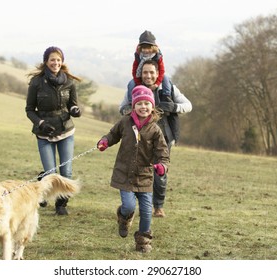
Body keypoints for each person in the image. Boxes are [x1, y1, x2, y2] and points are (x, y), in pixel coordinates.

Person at [97, 85, 170, 253]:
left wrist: (162, 166)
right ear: (133, 106)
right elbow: (112, 134)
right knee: (129, 206)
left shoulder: (155, 130)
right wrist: (105, 142)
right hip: (125, 175)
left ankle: (143, 240)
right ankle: (123, 218)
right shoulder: (125, 122)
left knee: (146, 211)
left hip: (144, 177)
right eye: (139, 103)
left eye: (147, 103)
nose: (143, 107)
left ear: (152, 106)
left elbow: (163, 154)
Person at [120, 59, 192, 218]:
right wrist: (130, 112)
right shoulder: (133, 89)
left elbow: (188, 105)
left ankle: (158, 206)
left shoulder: (169, 89)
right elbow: (122, 108)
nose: (148, 75)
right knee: (139, 170)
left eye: (152, 72)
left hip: (164, 137)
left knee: (160, 172)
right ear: (140, 73)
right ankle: (139, 205)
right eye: (145, 72)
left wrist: (173, 107)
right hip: (139, 137)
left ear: (158, 74)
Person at [25, 46, 82, 215]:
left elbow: (73, 104)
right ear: (46, 62)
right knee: (51, 172)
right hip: (44, 132)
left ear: (61, 61)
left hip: (65, 130)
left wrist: (74, 110)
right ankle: (43, 184)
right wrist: (41, 122)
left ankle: (61, 205)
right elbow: (29, 109)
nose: (55, 63)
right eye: (52, 60)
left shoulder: (69, 82)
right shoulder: (36, 82)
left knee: (66, 171)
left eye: (58, 60)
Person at [127, 30, 172, 103]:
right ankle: (130, 102)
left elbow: (161, 70)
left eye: (148, 48)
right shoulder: (138, 56)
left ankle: (167, 96)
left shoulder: (157, 56)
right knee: (131, 83)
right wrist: (139, 84)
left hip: (157, 78)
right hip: (141, 78)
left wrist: (157, 84)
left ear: (153, 47)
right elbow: (134, 71)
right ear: (140, 48)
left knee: (166, 78)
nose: (146, 50)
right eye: (144, 48)